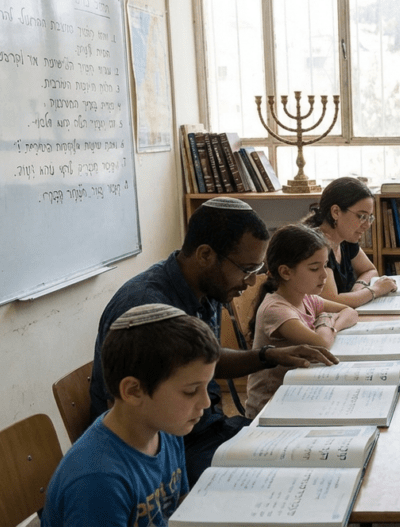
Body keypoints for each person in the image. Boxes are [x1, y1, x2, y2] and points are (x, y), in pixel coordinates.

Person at [88, 197, 338, 485]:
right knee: (289, 474)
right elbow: (122, 411)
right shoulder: (146, 308)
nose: (251, 282)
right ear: (205, 255)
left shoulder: (205, 288)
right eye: (246, 270)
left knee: (307, 449)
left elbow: (208, 361)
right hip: (170, 445)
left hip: (202, 426)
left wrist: (268, 356)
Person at [43, 304, 219, 526]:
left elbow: (182, 512)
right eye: (191, 391)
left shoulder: (167, 429)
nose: (206, 402)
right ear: (133, 391)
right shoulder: (97, 481)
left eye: (206, 386)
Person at [245, 224, 358, 418]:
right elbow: (322, 343)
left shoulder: (306, 297)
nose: (324, 275)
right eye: (315, 268)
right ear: (286, 272)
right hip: (271, 407)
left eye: (325, 265)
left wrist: (330, 324)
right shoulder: (276, 310)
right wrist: (326, 321)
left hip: (301, 390)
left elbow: (350, 312)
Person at [301, 176, 397, 308]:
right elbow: (332, 301)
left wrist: (358, 288)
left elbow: (370, 270)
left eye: (370, 217)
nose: (368, 225)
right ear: (336, 212)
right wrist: (375, 290)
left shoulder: (345, 238)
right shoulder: (316, 246)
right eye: (362, 216)